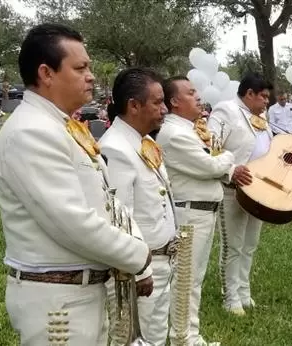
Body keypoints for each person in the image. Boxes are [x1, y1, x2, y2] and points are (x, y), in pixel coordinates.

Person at [0, 23, 151, 345]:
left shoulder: (59, 126)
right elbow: (71, 222)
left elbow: (108, 201)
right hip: (57, 304)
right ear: (46, 73)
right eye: (80, 68)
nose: (91, 75)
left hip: (79, 293)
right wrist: (139, 256)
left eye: (89, 67)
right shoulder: (31, 132)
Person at [156, 76, 250, 345]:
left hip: (201, 212)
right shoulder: (175, 134)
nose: (198, 97)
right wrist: (228, 157)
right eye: (190, 92)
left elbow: (212, 166)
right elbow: (210, 167)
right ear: (174, 102)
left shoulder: (189, 130)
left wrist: (221, 164)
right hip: (189, 214)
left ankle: (188, 335)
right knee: (187, 279)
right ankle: (184, 337)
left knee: (193, 278)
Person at [99, 67, 175, 345]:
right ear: (133, 105)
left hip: (161, 260)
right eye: (157, 102)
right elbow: (119, 217)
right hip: (141, 268)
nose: (165, 109)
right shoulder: (115, 148)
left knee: (155, 335)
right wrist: (139, 269)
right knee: (136, 338)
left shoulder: (142, 142)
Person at [207, 72, 273, 315]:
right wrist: (232, 171)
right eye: (263, 97)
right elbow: (211, 147)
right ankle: (230, 296)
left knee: (250, 243)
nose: (267, 102)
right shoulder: (225, 111)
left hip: (259, 189)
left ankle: (244, 291)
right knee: (232, 245)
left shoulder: (261, 117)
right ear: (249, 94)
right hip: (232, 189)